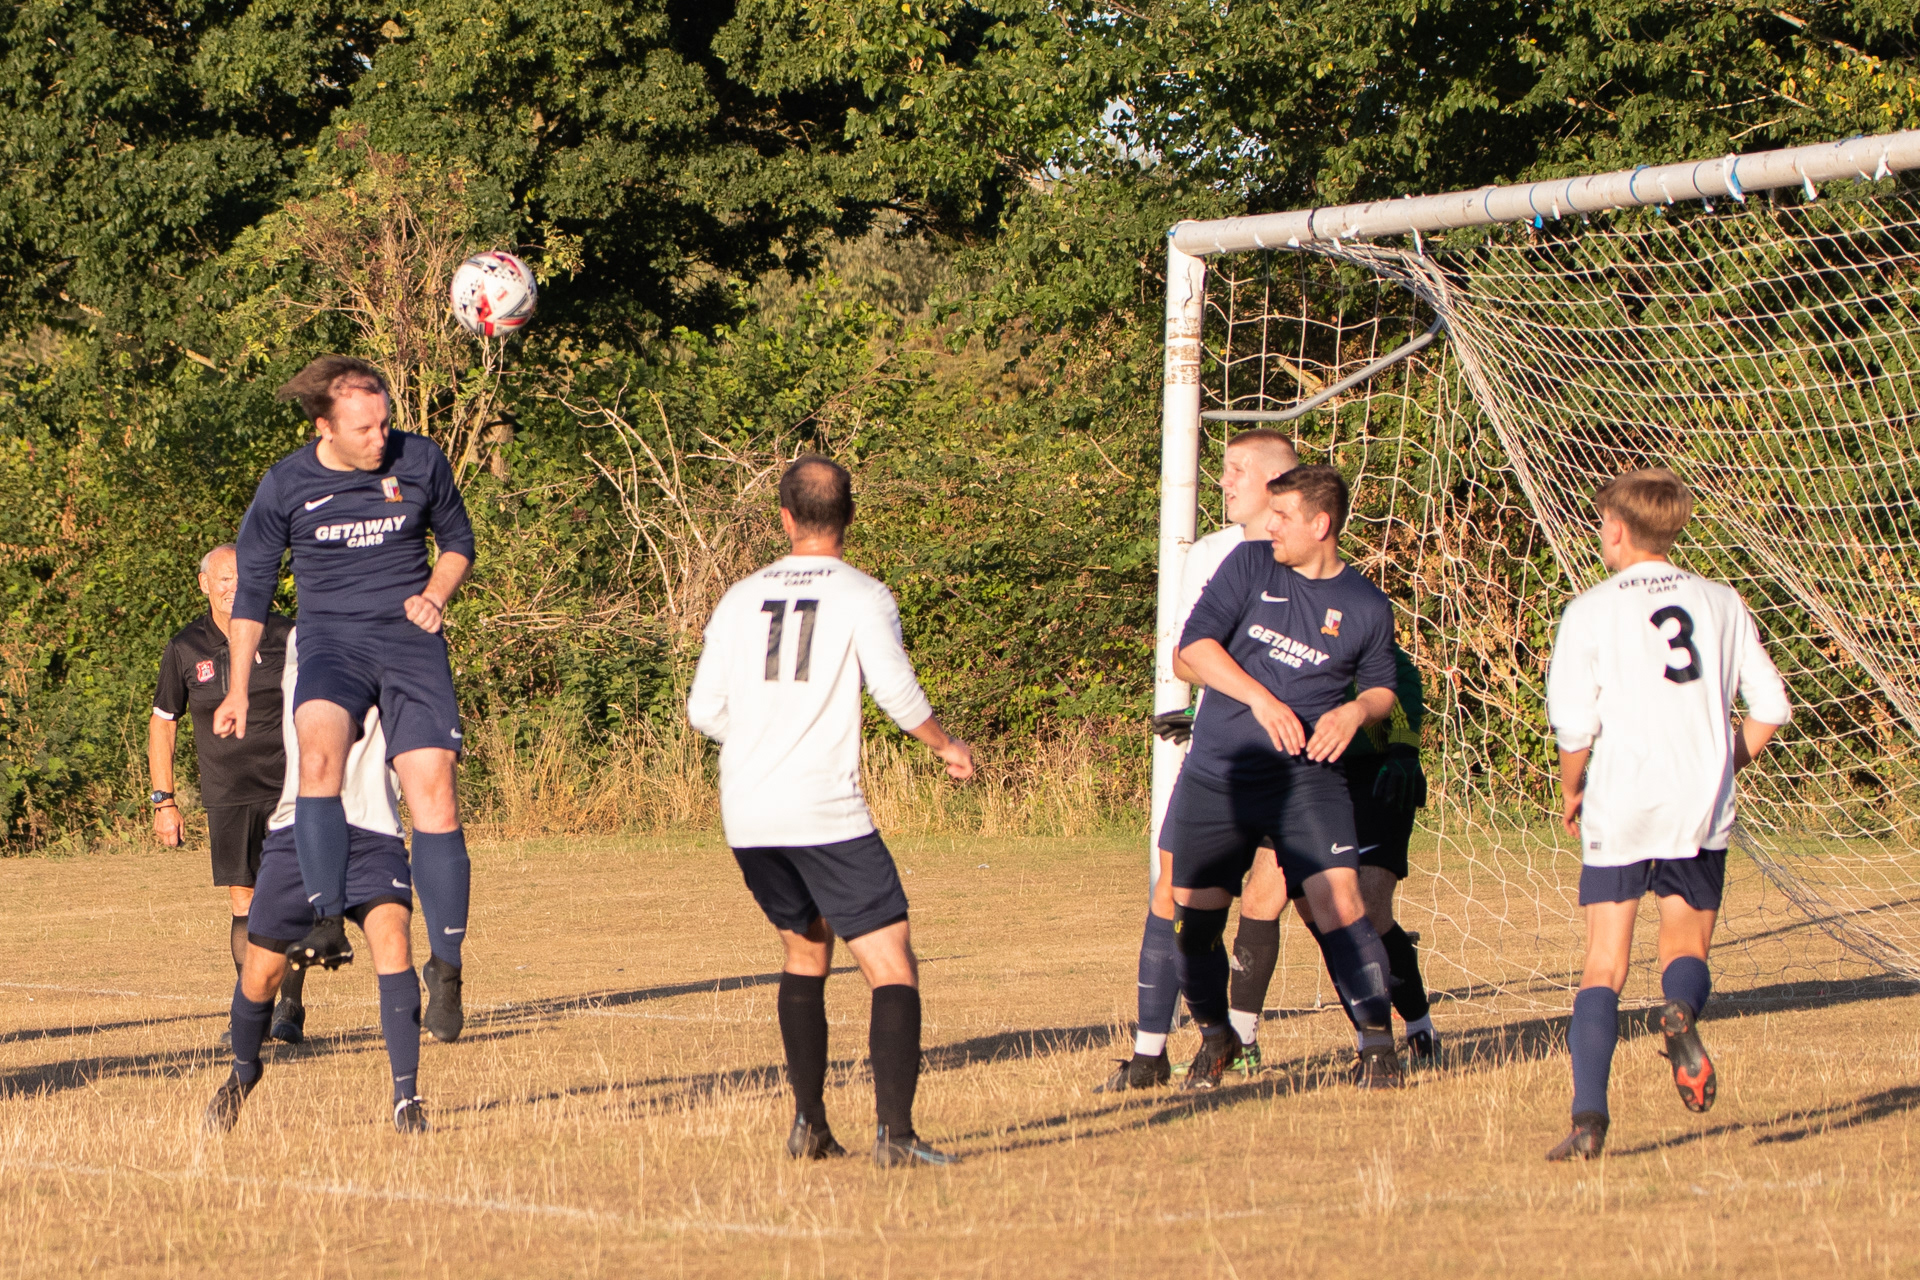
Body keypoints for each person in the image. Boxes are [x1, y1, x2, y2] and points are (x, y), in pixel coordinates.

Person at [688, 454, 974, 1168]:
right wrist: (946, 745)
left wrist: (761, 738)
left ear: (784, 518)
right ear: (849, 515)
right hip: (821, 809)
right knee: (891, 962)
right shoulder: (862, 594)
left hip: (748, 811)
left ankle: (810, 1125)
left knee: (805, 951)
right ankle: (896, 1137)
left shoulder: (738, 597)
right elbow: (896, 692)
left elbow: (703, 710)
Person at [214, 356, 475, 1045]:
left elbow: (458, 542)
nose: (380, 437)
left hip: (410, 645)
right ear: (324, 427)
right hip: (331, 647)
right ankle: (327, 917)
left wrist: (435, 595)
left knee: (435, 794)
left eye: (385, 422)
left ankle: (447, 965)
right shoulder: (287, 484)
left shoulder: (420, 459)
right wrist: (237, 687)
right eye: (365, 428)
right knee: (319, 760)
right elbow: (252, 595)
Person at [1543, 468, 1789, 1161]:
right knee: (1684, 947)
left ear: (1617, 530)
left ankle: (1589, 1119)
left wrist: (1570, 789)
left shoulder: (1591, 609)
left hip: (1620, 798)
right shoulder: (1721, 601)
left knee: (1603, 965)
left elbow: (1574, 728)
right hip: (1698, 803)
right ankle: (1679, 1012)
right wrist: (1721, 765)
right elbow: (1772, 708)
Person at [1164, 464, 1404, 1090]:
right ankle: (1216, 1037)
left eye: (1283, 516)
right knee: (1193, 922)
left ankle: (1377, 1049)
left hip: (1307, 781)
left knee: (1340, 903)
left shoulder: (1366, 604)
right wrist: (1262, 700)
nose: (1269, 525)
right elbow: (1194, 648)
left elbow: (1383, 688)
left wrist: (1355, 711)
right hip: (1220, 774)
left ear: (1321, 525)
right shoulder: (1249, 565)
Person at [1102, 429, 1297, 1092]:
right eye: (1223, 468)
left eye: (1237, 469)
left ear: (1276, 481)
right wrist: (1241, 692)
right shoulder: (1212, 553)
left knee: (1273, 894)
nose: (1224, 481)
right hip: (1219, 752)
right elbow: (1185, 656)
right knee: (1173, 886)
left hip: (1292, 757)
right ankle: (1149, 1053)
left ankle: (1243, 1041)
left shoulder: (1310, 553)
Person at [205, 629, 430, 1133]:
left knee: (393, 941)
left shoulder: (405, 640)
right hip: (299, 827)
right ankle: (243, 1072)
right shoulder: (307, 639)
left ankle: (406, 1097)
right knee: (261, 974)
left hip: (373, 830)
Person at [1229, 644, 1438, 1074]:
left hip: (1375, 775)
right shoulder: (1276, 631)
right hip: (1306, 775)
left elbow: (1396, 682)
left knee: (1365, 908)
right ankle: (1238, 1043)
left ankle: (1416, 1028)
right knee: (1262, 897)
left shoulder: (1357, 623)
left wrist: (1404, 750)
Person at [149, 543, 308, 1041]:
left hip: (290, 790)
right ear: (204, 584)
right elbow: (163, 724)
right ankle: (251, 1015)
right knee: (245, 901)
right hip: (228, 794)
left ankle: (290, 1009)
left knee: (291, 897)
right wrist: (164, 801)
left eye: (243, 576)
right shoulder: (185, 647)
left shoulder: (285, 634)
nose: (234, 587)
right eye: (224, 578)